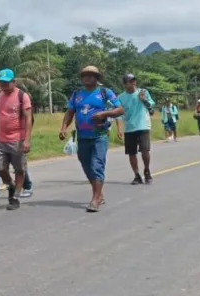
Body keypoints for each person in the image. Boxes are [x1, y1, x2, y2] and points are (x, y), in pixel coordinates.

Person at [59, 66, 124, 212]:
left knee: (97, 165)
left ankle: (95, 199)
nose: (87, 78)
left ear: (97, 78)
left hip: (99, 136)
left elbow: (120, 109)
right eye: (84, 75)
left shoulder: (105, 92)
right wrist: (63, 128)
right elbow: (70, 112)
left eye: (90, 75)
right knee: (86, 166)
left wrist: (104, 114)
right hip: (82, 137)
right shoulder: (77, 94)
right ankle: (99, 193)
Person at [0, 69, 31, 209]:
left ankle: (15, 197)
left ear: (14, 82)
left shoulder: (22, 96)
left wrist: (27, 140)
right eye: (1, 83)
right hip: (1, 139)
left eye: (6, 83)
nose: (4, 86)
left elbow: (28, 119)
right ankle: (11, 185)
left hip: (18, 139)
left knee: (19, 169)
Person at [115, 74, 155, 184]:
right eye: (130, 81)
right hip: (129, 127)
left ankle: (147, 170)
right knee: (131, 153)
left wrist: (144, 100)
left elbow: (151, 106)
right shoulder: (121, 97)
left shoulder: (143, 92)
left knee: (145, 150)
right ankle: (137, 175)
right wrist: (119, 129)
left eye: (134, 80)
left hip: (143, 125)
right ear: (125, 84)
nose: (133, 83)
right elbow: (118, 114)